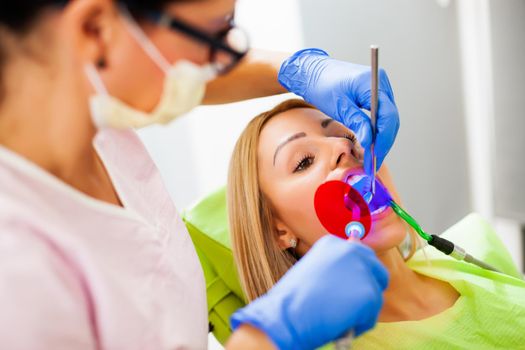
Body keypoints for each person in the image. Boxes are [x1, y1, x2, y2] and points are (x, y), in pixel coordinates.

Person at [0, 1, 398, 349]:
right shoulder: (16, 263)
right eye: (213, 32)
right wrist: (266, 340)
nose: (220, 61)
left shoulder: (93, 114)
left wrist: (296, 70)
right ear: (94, 29)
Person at [228, 99, 525, 349]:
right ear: (279, 230)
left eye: (344, 134)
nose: (342, 147)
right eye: (304, 161)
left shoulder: (478, 245)